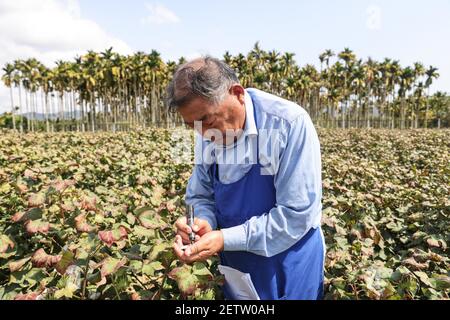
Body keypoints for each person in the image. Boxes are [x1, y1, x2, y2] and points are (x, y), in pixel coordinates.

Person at [168, 56, 325, 300]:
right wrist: (203, 223)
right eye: (192, 126)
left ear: (238, 93)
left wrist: (223, 239)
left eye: (206, 120)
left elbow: (295, 216)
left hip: (289, 264)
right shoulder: (207, 133)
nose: (201, 133)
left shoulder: (287, 124)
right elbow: (201, 195)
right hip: (238, 269)